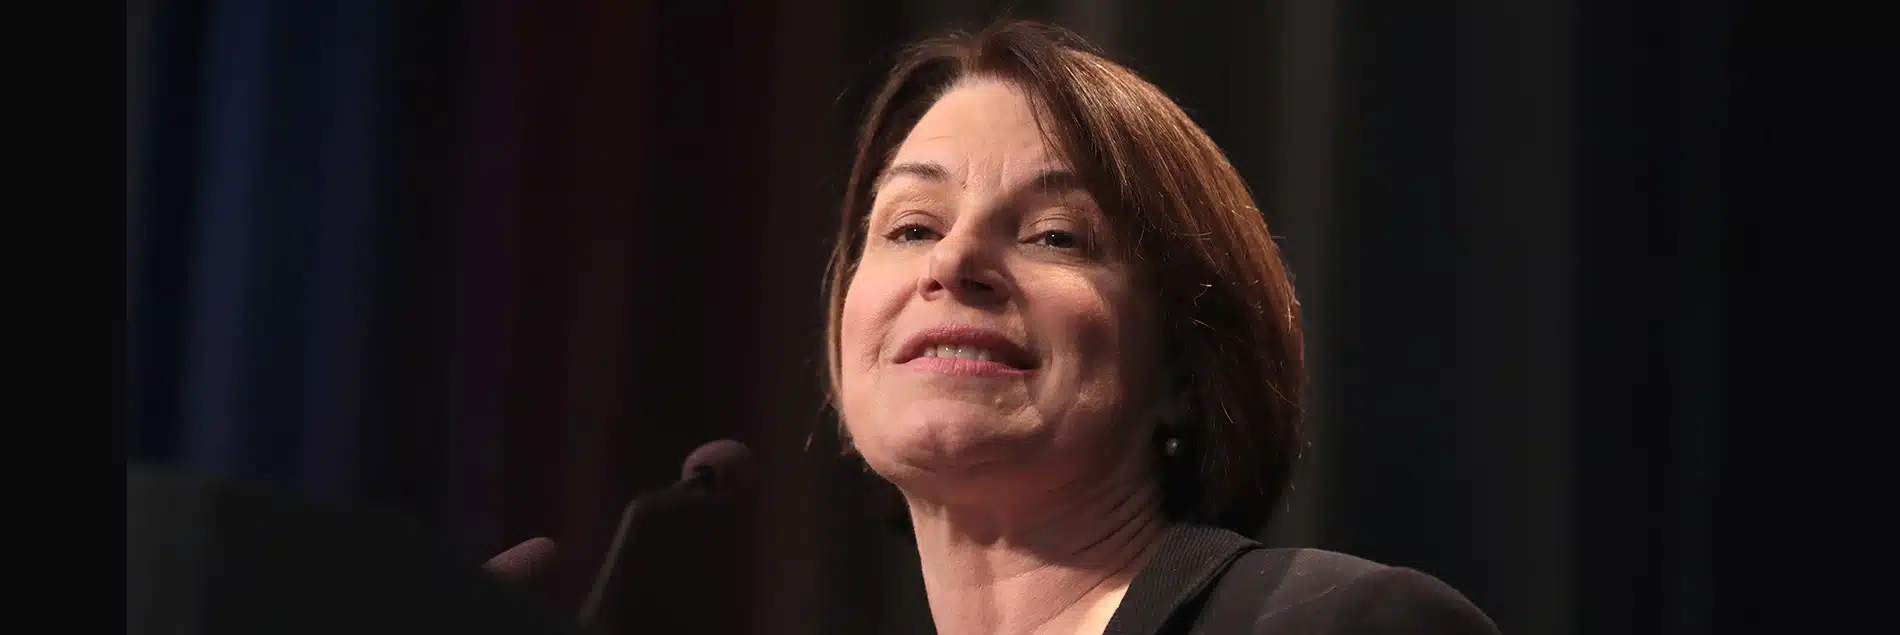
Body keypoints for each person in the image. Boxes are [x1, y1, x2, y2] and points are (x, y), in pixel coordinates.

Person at [822, 19, 1501, 635]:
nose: (952, 261)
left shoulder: (1344, 623)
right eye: (912, 227)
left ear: (1183, 364)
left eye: (1055, 236)